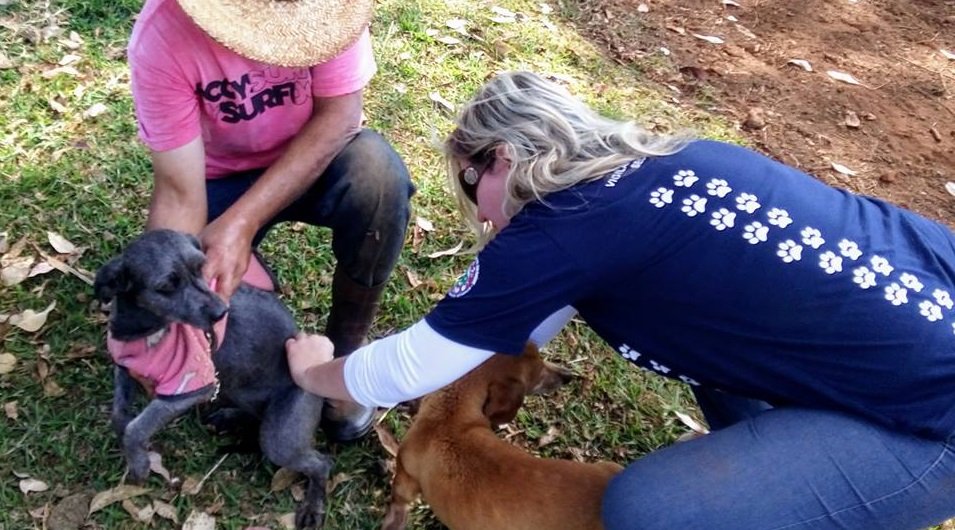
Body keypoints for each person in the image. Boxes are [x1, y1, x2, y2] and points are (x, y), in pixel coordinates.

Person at [286, 71, 955, 528]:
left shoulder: (561, 229)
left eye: (468, 185)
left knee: (646, 511)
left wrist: (314, 370)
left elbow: (408, 369)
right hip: (925, 317)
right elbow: (531, 317)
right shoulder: (677, 159)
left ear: (502, 158)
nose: (482, 216)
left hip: (932, 424)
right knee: (710, 338)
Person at [127, 0, 414, 442]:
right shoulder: (163, 35)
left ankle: (344, 355)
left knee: (378, 177)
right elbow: (180, 192)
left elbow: (340, 117)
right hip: (217, 179)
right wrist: (163, 327)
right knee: (185, 283)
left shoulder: (334, 11)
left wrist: (243, 223)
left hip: (315, 158)